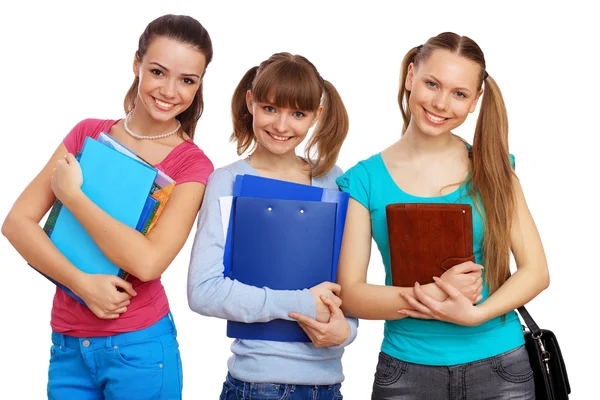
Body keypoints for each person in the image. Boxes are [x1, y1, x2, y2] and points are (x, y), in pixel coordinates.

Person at [1, 14, 214, 400]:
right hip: (67, 347)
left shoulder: (192, 165)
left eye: (187, 80)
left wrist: (73, 197)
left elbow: (148, 263)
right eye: (157, 72)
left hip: (140, 349)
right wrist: (81, 284)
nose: (169, 91)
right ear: (137, 65)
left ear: (199, 84)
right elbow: (17, 224)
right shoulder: (88, 133)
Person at [336, 32, 549, 400]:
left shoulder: (495, 168)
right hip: (406, 372)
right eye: (432, 83)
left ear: (475, 101)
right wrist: (433, 294)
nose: (440, 103)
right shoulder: (363, 180)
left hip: (501, 366)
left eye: (459, 93)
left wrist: (475, 315)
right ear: (410, 77)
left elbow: (536, 272)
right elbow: (352, 294)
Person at [188, 52, 357, 400]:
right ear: (251, 102)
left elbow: (348, 287)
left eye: (298, 114)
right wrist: (303, 303)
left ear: (317, 115)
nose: (282, 126)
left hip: (330, 386)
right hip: (258, 385)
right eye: (270, 109)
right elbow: (203, 291)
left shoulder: (334, 182)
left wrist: (347, 331)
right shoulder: (228, 181)